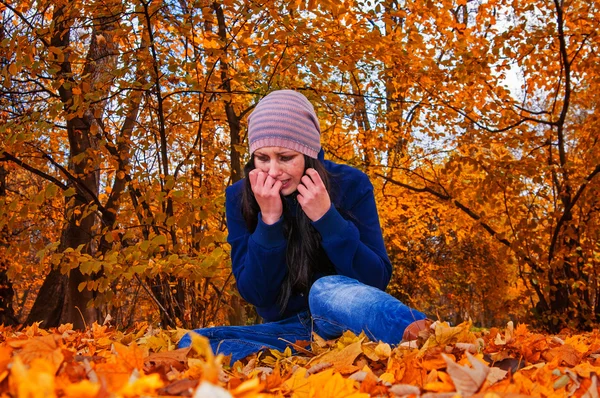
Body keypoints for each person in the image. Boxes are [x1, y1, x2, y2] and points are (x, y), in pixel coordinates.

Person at [178, 90, 429, 363]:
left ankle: (425, 340)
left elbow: (376, 278)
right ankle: (300, 358)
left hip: (345, 314)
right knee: (193, 342)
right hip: (291, 331)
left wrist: (327, 218)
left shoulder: (351, 184)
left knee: (323, 290)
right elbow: (256, 294)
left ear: (309, 153)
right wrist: (269, 222)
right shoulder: (240, 196)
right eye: (262, 158)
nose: (273, 171)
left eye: (285, 157)